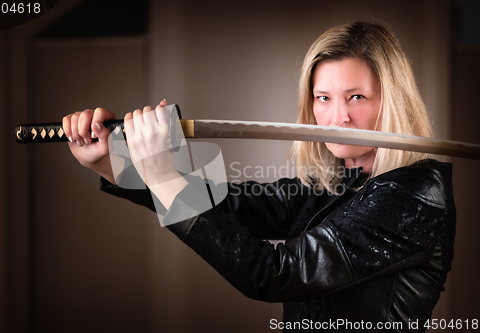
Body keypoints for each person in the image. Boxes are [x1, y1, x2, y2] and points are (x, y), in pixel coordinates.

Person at [62, 21, 456, 332]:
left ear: (392, 101)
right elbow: (232, 204)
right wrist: (115, 166)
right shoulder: (343, 177)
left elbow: (273, 274)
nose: (339, 117)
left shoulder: (416, 192)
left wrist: (165, 175)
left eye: (356, 97)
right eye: (324, 98)